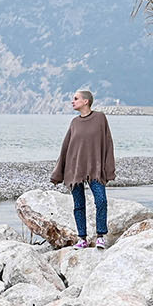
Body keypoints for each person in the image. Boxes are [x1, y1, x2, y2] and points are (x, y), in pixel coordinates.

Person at [51, 87, 117, 246]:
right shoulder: (74, 122)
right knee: (78, 205)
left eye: (76, 98)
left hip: (95, 169)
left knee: (101, 201)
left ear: (86, 101)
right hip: (74, 171)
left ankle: (101, 236)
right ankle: (82, 239)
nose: (72, 102)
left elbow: (108, 144)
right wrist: (57, 174)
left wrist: (109, 170)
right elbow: (65, 147)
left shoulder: (100, 118)